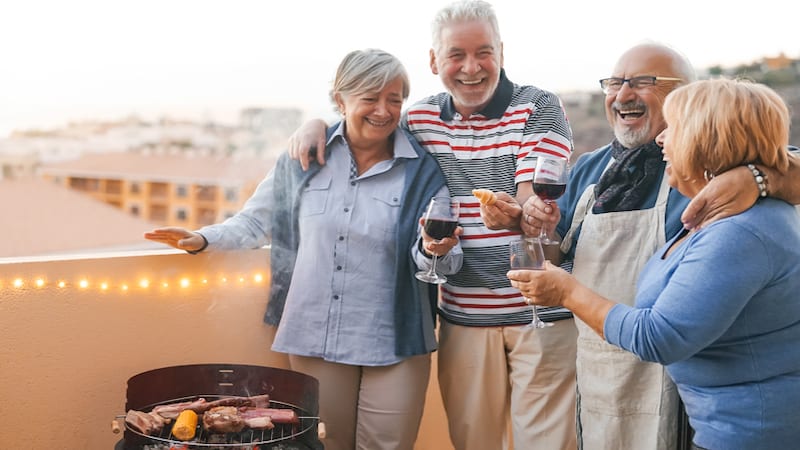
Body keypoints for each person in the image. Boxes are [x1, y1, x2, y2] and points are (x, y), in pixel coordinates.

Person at [287, 2, 578, 449]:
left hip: (540, 314)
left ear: (501, 51)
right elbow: (366, 121)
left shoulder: (538, 106)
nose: (471, 67)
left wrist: (522, 214)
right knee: (472, 443)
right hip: (464, 318)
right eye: (456, 55)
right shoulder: (419, 120)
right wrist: (315, 126)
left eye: (483, 52)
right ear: (433, 61)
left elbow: (533, 193)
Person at [145, 48, 463, 450]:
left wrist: (438, 249)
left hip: (394, 339)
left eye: (395, 99)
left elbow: (435, 257)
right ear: (340, 100)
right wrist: (204, 239)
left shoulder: (421, 170)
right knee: (321, 444)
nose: (384, 110)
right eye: (370, 98)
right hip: (315, 335)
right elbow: (257, 221)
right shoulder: (302, 157)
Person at [520, 43, 800, 450]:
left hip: (702, 398)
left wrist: (759, 177)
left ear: (707, 131)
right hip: (603, 367)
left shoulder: (737, 204)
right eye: (615, 82)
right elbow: (558, 251)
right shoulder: (589, 170)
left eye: (643, 82)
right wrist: (535, 230)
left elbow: (661, 335)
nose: (623, 93)